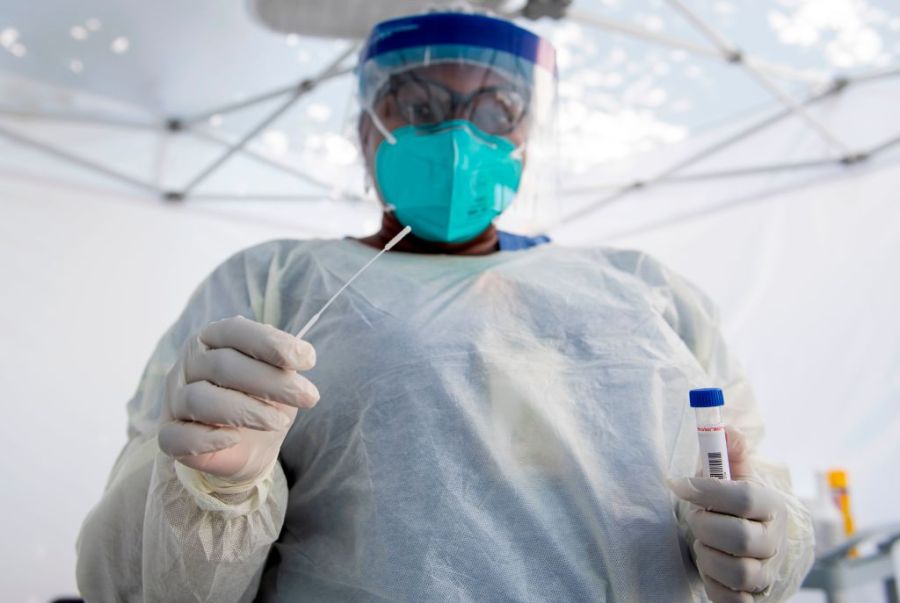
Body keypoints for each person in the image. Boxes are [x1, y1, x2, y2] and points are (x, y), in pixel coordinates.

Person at [76, 11, 813, 603]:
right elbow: (138, 584)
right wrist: (212, 488)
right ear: (367, 128)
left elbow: (754, 473)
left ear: (528, 136)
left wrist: (765, 542)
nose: (462, 138)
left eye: (497, 109)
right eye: (421, 106)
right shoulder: (274, 282)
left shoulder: (645, 287)